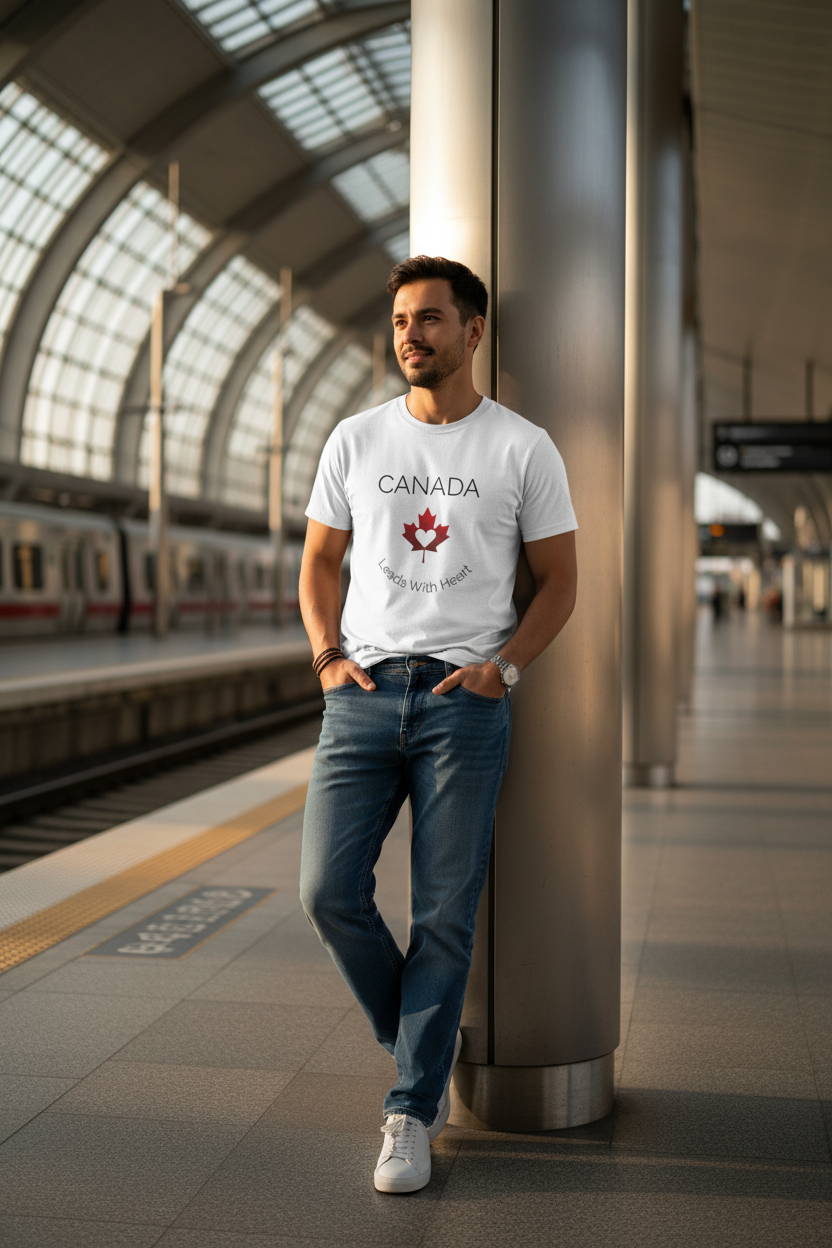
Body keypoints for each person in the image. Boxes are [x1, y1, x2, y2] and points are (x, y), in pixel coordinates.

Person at [298, 255, 578, 1193]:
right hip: (365, 695)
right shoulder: (356, 440)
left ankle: (411, 1109)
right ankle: (422, 1037)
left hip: (466, 703)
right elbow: (320, 564)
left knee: (444, 918)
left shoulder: (522, 448)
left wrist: (503, 670)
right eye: (400, 322)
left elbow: (563, 581)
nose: (409, 336)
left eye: (428, 320)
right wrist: (329, 659)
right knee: (327, 892)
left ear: (473, 331)